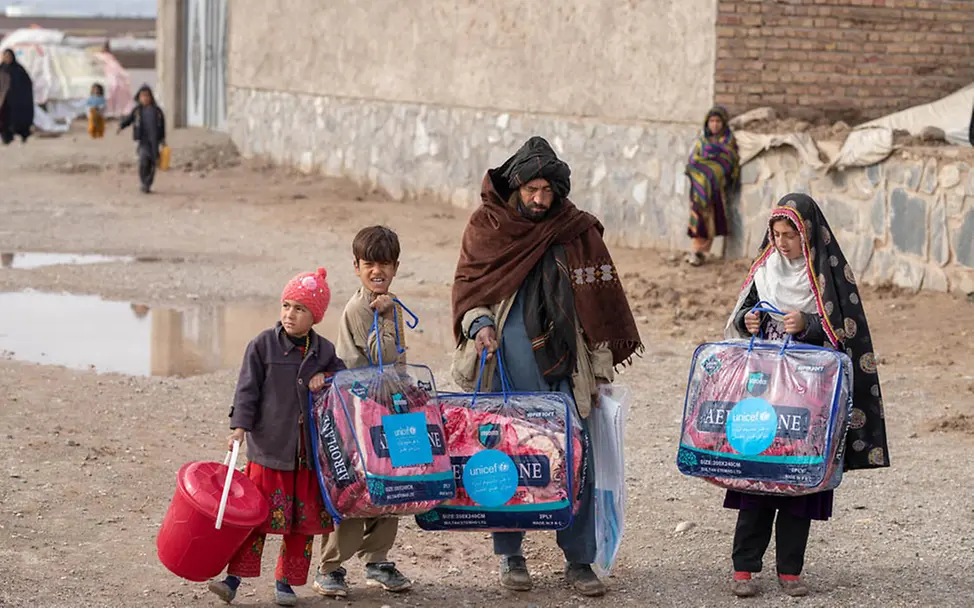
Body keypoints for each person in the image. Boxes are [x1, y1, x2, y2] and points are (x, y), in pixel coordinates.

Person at [451, 136, 643, 597]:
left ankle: (578, 561)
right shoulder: (488, 226)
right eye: (532, 190)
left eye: (547, 191)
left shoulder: (577, 232)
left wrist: (598, 370)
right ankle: (511, 557)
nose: (540, 200)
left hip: (563, 371)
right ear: (515, 186)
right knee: (506, 460)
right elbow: (469, 293)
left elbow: (598, 308)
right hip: (504, 372)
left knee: (575, 462)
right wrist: (479, 326)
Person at [723, 193, 890, 598]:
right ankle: (744, 567)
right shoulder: (765, 270)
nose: (781, 243)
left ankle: (790, 570)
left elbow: (847, 331)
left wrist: (811, 324)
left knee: (800, 478)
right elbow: (743, 319)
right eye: (776, 235)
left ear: (809, 236)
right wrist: (751, 321)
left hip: (811, 396)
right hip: (764, 391)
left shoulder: (828, 276)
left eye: (790, 236)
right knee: (758, 477)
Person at [208, 268, 344, 607]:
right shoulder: (262, 346)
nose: (289, 314)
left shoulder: (323, 351)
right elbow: (246, 391)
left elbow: (344, 380)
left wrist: (325, 377)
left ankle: (285, 583)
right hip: (268, 451)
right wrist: (238, 427)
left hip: (306, 457)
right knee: (253, 519)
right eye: (286, 305)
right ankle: (232, 579)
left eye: (300, 308)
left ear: (315, 315)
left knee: (300, 526)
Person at [313, 226, 412, 598]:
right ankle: (331, 567)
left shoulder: (388, 303)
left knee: (392, 486)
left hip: (388, 409)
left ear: (396, 266)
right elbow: (382, 357)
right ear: (356, 267)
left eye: (384, 264)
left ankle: (378, 559)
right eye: (369, 264)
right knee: (354, 490)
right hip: (357, 412)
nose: (377, 271)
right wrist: (385, 316)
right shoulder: (364, 307)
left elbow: (399, 362)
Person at [685, 105, 740, 266]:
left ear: (723, 123)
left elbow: (729, 162)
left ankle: (699, 252)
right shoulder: (702, 142)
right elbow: (692, 162)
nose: (714, 125)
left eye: (718, 121)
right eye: (711, 121)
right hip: (699, 190)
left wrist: (710, 171)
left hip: (715, 189)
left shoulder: (728, 142)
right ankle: (697, 251)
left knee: (709, 219)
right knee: (699, 218)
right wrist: (702, 173)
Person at [118, 84, 165, 193]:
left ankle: (148, 184)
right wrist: (121, 126)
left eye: (147, 96)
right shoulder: (137, 111)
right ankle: (143, 182)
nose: (145, 98)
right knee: (143, 161)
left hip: (154, 142)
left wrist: (162, 140)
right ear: (139, 98)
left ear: (151, 97)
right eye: (142, 96)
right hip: (142, 141)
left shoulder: (157, 111)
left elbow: (162, 127)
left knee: (153, 163)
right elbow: (129, 120)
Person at [0, 49, 34, 145]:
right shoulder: (1, 69)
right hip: (4, 101)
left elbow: (27, 83)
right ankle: (6, 138)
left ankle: (23, 135)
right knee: (4, 120)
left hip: (17, 101)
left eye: (9, 56)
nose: (7, 58)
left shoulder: (19, 69)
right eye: (5, 56)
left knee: (19, 119)